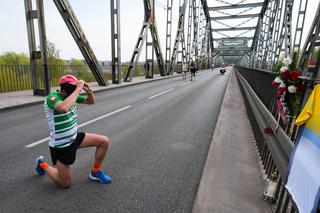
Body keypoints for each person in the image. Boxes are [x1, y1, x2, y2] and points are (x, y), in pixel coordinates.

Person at [35, 74, 111, 188]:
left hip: (75, 137)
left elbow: (91, 101)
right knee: (65, 184)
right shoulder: (52, 97)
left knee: (104, 142)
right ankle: (42, 164)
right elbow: (64, 108)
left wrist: (88, 90)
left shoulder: (72, 95)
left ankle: (95, 172)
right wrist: (78, 89)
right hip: (62, 145)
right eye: (75, 93)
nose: (76, 96)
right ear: (64, 92)